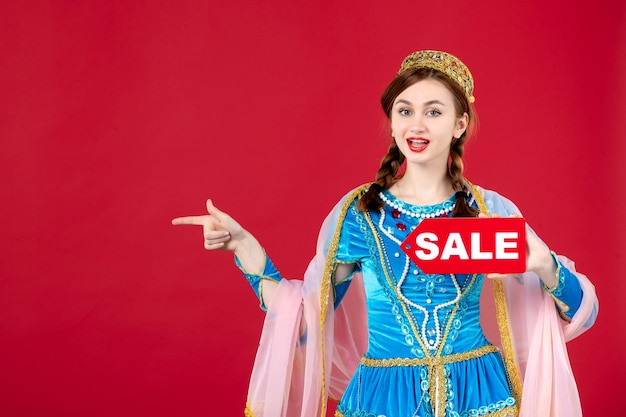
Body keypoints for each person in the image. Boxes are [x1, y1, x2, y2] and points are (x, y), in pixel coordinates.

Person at [172, 50, 598, 417]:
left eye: (434, 111)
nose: (417, 123)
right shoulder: (358, 215)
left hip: (481, 394)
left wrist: (545, 265)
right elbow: (306, 322)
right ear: (392, 122)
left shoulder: (491, 212)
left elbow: (575, 312)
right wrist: (245, 247)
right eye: (405, 110)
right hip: (384, 397)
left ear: (459, 124)